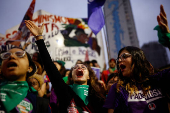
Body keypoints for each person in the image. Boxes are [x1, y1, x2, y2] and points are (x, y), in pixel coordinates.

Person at [25, 20, 107, 113]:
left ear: (89, 76)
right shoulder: (65, 92)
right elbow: (50, 67)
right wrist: (39, 38)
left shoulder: (98, 97)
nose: (79, 68)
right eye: (75, 68)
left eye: (83, 67)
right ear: (71, 77)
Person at [103, 5, 170, 113]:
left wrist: (168, 40)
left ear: (137, 58)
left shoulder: (158, 79)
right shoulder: (117, 89)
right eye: (118, 58)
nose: (119, 60)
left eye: (124, 56)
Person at [0, 47, 51, 113]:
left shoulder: (40, 104)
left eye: (19, 55)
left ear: (29, 68)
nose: (12, 56)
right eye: (6, 55)